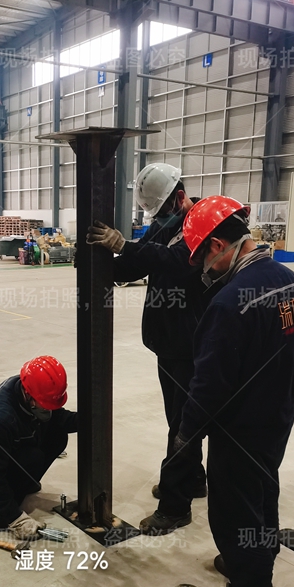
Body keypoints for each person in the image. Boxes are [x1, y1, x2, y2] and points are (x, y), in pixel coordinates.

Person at [176, 195, 294, 587]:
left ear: (219, 245)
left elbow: (209, 384)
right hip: (278, 417)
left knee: (235, 513)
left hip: (239, 431)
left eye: (203, 257)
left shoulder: (229, 304)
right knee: (263, 493)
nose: (204, 268)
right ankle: (259, 558)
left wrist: (186, 433)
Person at [86, 163, 211, 535]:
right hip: (167, 343)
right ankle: (194, 479)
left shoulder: (200, 224)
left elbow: (177, 262)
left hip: (189, 345)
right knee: (179, 419)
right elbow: (138, 263)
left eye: (163, 209)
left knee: (183, 426)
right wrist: (98, 263)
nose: (159, 218)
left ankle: (175, 506)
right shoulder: (164, 224)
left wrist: (124, 245)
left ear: (179, 196)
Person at [0, 356, 77, 539]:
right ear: (29, 395)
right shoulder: (1, 419)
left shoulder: (29, 388)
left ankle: (19, 483)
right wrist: (16, 519)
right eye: (45, 404)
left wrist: (91, 418)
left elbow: (59, 419)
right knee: (32, 458)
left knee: (57, 436)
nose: (49, 409)